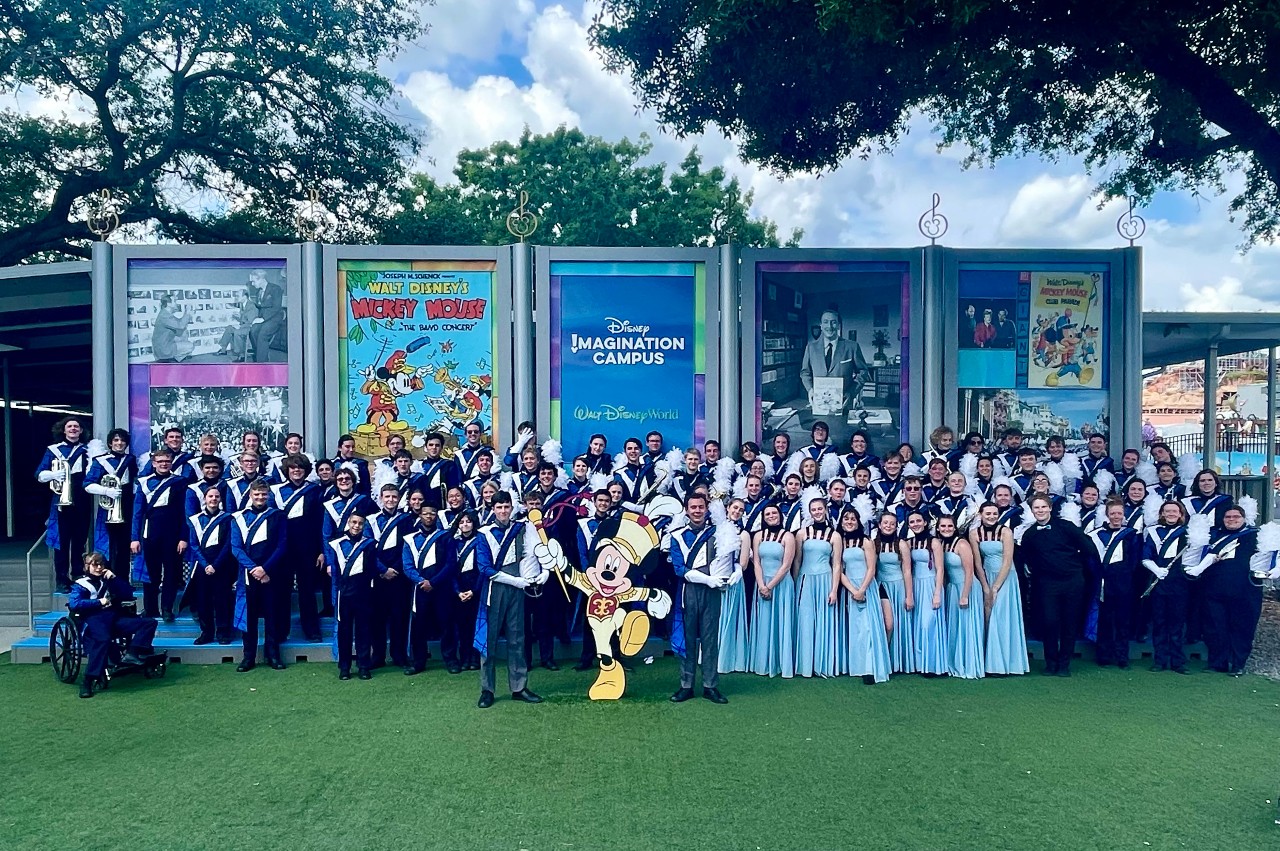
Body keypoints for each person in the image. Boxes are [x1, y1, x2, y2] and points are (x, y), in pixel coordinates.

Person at [475, 492, 545, 708]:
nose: (503, 511)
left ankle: (519, 687)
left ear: (512, 507)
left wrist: (540, 573)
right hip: (495, 588)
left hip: (517, 587)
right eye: (499, 507)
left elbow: (530, 553)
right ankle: (487, 689)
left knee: (517, 638)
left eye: (506, 507)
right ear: (492, 508)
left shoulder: (521, 528)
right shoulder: (484, 533)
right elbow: (485, 567)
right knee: (489, 640)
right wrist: (517, 581)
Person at [1020, 494, 1095, 676]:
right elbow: (1027, 558)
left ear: (1050, 508)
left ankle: (1064, 665)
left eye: (1043, 507)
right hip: (1046, 584)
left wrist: (1072, 565)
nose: (1040, 511)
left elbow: (1089, 549)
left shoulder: (1066, 527)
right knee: (1050, 622)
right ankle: (1050, 663)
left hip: (1072, 582)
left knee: (1069, 624)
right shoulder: (1029, 535)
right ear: (1032, 510)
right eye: (1036, 508)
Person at [68, 552, 158, 698]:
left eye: (101, 565)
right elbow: (74, 604)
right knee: (103, 639)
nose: (98, 568)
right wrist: (98, 602)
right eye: (94, 565)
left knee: (149, 623)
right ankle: (88, 680)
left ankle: (132, 653)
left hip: (113, 618)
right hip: (92, 619)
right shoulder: (80, 585)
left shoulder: (108, 579)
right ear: (87, 566)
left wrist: (115, 578)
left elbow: (128, 593)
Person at [670, 492, 731, 703]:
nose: (697, 511)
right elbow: (679, 568)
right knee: (687, 640)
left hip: (712, 592)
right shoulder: (676, 535)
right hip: (689, 591)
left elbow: (731, 557)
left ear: (707, 509)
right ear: (687, 510)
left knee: (710, 639)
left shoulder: (718, 532)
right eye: (693, 507)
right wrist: (707, 580)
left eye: (701, 507)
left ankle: (710, 686)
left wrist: (735, 571)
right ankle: (686, 686)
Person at [1197, 505, 1261, 676]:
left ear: (1243, 518)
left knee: (1241, 628)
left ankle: (1238, 664)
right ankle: (1218, 662)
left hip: (1245, 591)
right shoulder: (1214, 536)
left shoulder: (1254, 536)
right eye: (1228, 517)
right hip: (1214, 590)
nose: (1231, 520)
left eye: (1236, 517)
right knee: (1215, 627)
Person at [231, 480, 288, 672]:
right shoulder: (238, 517)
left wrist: (265, 569)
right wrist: (254, 569)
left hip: (271, 574)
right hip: (248, 575)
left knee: (273, 616)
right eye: (257, 494)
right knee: (250, 617)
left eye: (264, 494)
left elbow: (282, 546)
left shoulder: (278, 516)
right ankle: (249, 657)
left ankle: (273, 655)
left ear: (268, 495)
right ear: (250, 496)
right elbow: (235, 548)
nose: (260, 497)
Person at [271, 453, 325, 642]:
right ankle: (280, 631)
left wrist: (321, 550)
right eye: (293, 468)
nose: (296, 471)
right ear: (287, 470)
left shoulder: (315, 491)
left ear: (306, 471)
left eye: (300, 468)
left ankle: (311, 630)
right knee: (281, 590)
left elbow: (320, 523)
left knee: (307, 590)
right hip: (282, 548)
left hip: (307, 548)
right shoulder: (276, 491)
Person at [130, 448, 188, 622]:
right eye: (160, 461)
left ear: (171, 463)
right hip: (151, 533)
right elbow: (137, 512)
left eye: (167, 461)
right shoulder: (144, 482)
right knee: (151, 574)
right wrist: (134, 538)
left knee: (171, 573)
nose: (164, 464)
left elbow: (184, 513)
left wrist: (184, 537)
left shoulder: (180, 482)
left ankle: (167, 608)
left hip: (173, 533)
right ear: (154, 463)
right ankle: (150, 608)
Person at [972, 503, 1028, 675]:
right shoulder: (974, 533)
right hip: (987, 575)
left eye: (994, 513)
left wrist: (995, 587)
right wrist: (985, 586)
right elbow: (977, 562)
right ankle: (989, 661)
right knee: (988, 615)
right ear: (980, 514)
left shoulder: (1006, 531)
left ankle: (1005, 663)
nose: (991, 516)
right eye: (987, 513)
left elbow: (1007, 560)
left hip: (1006, 577)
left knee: (1000, 616)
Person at [38, 416, 93, 592]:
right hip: (60, 501)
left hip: (81, 499)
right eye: (70, 426)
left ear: (81, 430)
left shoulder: (87, 450)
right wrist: (54, 475)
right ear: (63, 430)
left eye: (76, 426)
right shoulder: (53, 450)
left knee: (79, 540)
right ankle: (62, 579)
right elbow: (39, 474)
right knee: (61, 543)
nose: (73, 429)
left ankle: (77, 574)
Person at [402, 503, 457, 675]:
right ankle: (418, 661)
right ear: (420, 515)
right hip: (420, 589)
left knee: (446, 624)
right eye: (425, 513)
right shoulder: (410, 539)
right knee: (419, 626)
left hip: (441, 588)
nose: (429, 516)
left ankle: (450, 659)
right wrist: (421, 581)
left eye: (432, 513)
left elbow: (450, 564)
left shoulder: (446, 537)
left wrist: (433, 582)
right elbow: (407, 565)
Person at [837, 508, 890, 683]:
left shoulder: (866, 541)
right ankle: (856, 665)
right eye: (846, 518)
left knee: (868, 628)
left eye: (853, 519)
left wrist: (862, 590)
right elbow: (838, 569)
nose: (849, 521)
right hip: (849, 587)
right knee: (855, 628)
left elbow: (871, 568)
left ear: (859, 522)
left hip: (867, 586)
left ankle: (870, 668)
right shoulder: (840, 541)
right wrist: (853, 590)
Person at [366, 484, 413, 670]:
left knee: (399, 617)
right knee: (376, 617)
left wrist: (396, 569)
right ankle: (377, 655)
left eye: (394, 496)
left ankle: (399, 655)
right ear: (381, 498)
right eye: (387, 496)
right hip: (378, 576)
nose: (391, 500)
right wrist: (382, 570)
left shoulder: (406, 520)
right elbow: (368, 549)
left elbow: (408, 548)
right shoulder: (370, 521)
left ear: (399, 498)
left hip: (399, 576)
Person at [1089, 498, 1141, 668]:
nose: (1116, 516)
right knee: (1104, 620)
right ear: (1107, 514)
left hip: (1123, 583)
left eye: (1119, 513)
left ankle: (1122, 657)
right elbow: (1090, 559)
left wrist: (1123, 576)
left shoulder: (1131, 535)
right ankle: (1103, 655)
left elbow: (1134, 561)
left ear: (1124, 514)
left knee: (1123, 620)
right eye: (1113, 513)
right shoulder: (1096, 534)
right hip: (1102, 583)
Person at [325, 513, 377, 680]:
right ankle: (344, 667)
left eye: (360, 523)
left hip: (363, 593)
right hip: (344, 593)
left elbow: (371, 568)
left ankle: (363, 666)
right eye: (354, 522)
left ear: (364, 525)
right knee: (344, 631)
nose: (356, 526)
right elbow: (334, 570)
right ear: (348, 523)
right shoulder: (336, 544)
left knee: (364, 630)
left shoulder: (369, 544)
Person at [1143, 500, 1192, 674]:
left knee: (1177, 624)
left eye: (1174, 511)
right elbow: (1146, 556)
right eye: (1167, 511)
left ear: (1180, 514)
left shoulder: (1188, 533)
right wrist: (1156, 569)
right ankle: (1160, 660)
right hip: (1159, 585)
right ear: (1162, 514)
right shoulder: (1154, 532)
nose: (1171, 514)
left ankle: (1178, 661)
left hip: (1180, 585)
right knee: (1160, 623)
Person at [747, 504, 796, 678]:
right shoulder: (758, 536)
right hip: (762, 583)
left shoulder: (788, 536)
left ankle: (780, 663)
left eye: (774, 513)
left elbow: (787, 565)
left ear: (780, 515)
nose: (771, 516)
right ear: (763, 517)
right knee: (764, 621)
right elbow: (757, 563)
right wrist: (761, 585)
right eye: (767, 514)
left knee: (781, 622)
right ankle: (762, 662)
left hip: (781, 584)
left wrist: (770, 586)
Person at [795, 497, 841, 678]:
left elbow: (837, 564)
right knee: (805, 621)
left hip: (825, 579)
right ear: (810, 512)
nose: (817, 512)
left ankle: (823, 664)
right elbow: (797, 560)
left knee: (824, 621)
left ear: (825, 509)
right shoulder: (801, 533)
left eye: (820, 509)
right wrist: (796, 581)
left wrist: (834, 589)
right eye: (813, 510)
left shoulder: (835, 535)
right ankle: (805, 665)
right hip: (805, 579)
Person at [84, 427, 137, 581]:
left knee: (123, 547)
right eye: (116, 440)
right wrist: (106, 491)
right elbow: (87, 484)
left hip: (127, 507)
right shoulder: (100, 461)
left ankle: (123, 581)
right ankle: (106, 580)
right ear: (110, 443)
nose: (119, 443)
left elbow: (135, 481)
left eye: (122, 440)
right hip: (108, 509)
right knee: (108, 546)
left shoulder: (130, 460)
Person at [185, 486, 235, 645]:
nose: (213, 499)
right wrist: (206, 564)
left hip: (222, 566)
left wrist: (216, 564)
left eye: (217, 496)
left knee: (223, 600)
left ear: (220, 499)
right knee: (203, 601)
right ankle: (206, 633)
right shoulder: (195, 519)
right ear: (205, 499)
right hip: (202, 566)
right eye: (210, 496)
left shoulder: (228, 518)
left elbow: (228, 544)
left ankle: (223, 632)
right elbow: (193, 544)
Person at [800, 307, 870, 414]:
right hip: (819, 405)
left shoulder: (852, 346)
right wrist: (810, 389)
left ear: (838, 325)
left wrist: (851, 392)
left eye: (833, 322)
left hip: (844, 404)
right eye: (826, 322)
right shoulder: (811, 347)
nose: (829, 326)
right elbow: (805, 372)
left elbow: (863, 372)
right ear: (821, 325)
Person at [939, 515, 984, 679]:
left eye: (949, 526)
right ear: (938, 528)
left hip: (967, 588)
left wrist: (965, 595)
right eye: (943, 526)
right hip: (952, 588)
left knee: (967, 627)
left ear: (955, 527)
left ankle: (969, 664)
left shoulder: (962, 544)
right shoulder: (942, 544)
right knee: (956, 627)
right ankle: (956, 662)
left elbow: (969, 571)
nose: (946, 529)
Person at [903, 510, 947, 676]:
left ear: (925, 522)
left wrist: (937, 593)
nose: (915, 524)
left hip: (930, 584)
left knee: (929, 623)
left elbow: (940, 568)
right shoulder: (909, 543)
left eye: (918, 521)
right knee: (918, 624)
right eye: (912, 522)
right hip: (916, 584)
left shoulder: (934, 542)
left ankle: (934, 665)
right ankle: (921, 664)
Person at [873, 512, 913, 673]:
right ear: (879, 525)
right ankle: (883, 657)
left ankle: (895, 662)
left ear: (896, 526)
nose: (888, 526)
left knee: (899, 624)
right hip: (881, 586)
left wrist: (909, 595)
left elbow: (907, 570)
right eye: (885, 523)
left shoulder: (901, 544)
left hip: (898, 586)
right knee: (887, 624)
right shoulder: (873, 544)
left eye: (892, 523)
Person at [450, 510, 485, 672]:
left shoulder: (480, 541)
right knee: (462, 626)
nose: (465, 524)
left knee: (475, 625)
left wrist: (474, 590)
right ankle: (464, 657)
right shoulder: (454, 543)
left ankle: (475, 658)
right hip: (459, 589)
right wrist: (457, 591)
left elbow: (483, 569)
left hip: (475, 587)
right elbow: (451, 569)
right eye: (462, 522)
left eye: (468, 521)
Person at [249, 268, 285, 362]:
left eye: (253, 281)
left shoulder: (275, 289)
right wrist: (257, 318)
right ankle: (262, 355)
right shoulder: (258, 292)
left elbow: (276, 307)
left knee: (262, 334)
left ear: (261, 279)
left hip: (275, 318)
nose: (252, 284)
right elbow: (261, 307)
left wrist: (263, 319)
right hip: (263, 319)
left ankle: (261, 362)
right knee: (253, 331)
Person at [217, 288, 258, 362]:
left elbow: (250, 322)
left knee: (237, 332)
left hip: (251, 328)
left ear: (244, 297)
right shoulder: (243, 305)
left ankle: (241, 355)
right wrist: (238, 318)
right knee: (229, 328)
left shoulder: (251, 306)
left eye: (238, 296)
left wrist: (240, 326)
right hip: (245, 326)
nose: (236, 297)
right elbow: (245, 319)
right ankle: (223, 349)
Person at [152, 293, 193, 363]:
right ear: (169, 304)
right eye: (174, 301)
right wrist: (188, 311)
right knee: (190, 346)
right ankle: (169, 358)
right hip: (163, 348)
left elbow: (179, 322)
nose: (176, 303)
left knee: (184, 334)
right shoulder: (165, 316)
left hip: (165, 343)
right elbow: (181, 325)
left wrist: (186, 314)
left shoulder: (166, 313)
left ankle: (173, 359)